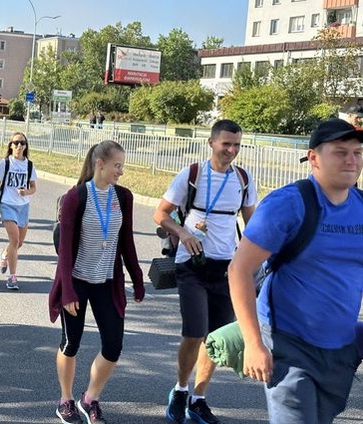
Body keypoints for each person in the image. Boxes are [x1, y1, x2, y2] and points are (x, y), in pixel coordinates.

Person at [228, 118, 363, 424]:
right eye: (340, 152)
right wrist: (253, 343)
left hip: (340, 348)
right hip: (288, 342)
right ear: (314, 158)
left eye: (357, 152)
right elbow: (240, 270)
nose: (352, 160)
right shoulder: (289, 204)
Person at [153, 119, 257, 424]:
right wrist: (182, 232)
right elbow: (160, 213)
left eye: (236, 144)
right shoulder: (192, 175)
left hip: (227, 270)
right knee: (195, 333)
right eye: (226, 144)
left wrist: (260, 258)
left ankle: (198, 399)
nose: (231, 150)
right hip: (192, 265)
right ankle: (181, 389)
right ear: (212, 143)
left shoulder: (244, 180)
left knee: (215, 338)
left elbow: (254, 225)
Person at [48, 140, 145, 424]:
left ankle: (90, 398)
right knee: (71, 343)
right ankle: (65, 399)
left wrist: (137, 278)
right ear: (99, 164)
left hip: (107, 282)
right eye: (117, 165)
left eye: (122, 166)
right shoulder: (75, 198)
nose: (121, 171)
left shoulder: (123, 197)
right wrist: (66, 291)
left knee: (114, 345)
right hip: (75, 281)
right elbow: (65, 251)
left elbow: (126, 241)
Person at [0, 132, 37, 290]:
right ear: (10, 145)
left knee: (18, 243)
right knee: (15, 240)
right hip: (7, 204)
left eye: (22, 143)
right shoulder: (4, 163)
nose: (19, 146)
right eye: (16, 143)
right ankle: (12, 277)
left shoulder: (29, 165)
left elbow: (34, 187)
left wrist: (27, 192)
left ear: (26, 146)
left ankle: (4, 254)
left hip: (23, 206)